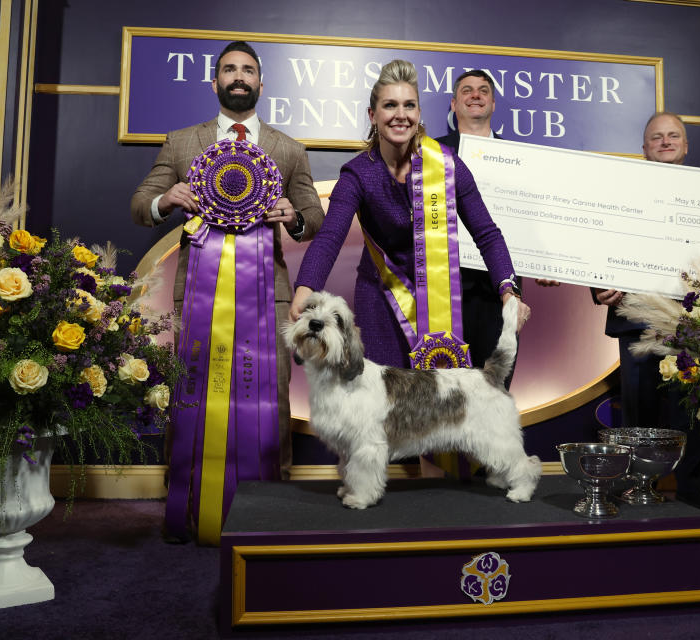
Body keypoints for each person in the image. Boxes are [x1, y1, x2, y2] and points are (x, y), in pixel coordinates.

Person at [131, 41, 323, 544]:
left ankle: (268, 514)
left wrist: (295, 217)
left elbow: (314, 217)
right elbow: (139, 203)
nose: (239, 77)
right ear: (214, 82)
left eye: (249, 70)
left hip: (270, 297)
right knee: (193, 401)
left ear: (261, 83)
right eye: (229, 70)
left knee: (270, 404)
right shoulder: (179, 142)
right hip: (197, 296)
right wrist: (164, 201)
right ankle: (190, 510)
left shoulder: (287, 149)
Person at [290, 59, 528, 374]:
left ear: (418, 114)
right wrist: (305, 289)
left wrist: (509, 291)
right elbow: (330, 237)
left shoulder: (446, 165)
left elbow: (487, 234)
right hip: (379, 298)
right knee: (386, 403)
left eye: (409, 105)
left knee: (439, 407)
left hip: (440, 294)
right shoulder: (358, 173)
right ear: (373, 116)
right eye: (390, 105)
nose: (401, 114)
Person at [593, 111, 700, 513]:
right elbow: (596, 244)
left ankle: (692, 486)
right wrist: (599, 287)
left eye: (673, 136)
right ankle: (637, 484)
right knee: (640, 408)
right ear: (644, 148)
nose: (665, 142)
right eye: (656, 137)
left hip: (693, 318)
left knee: (693, 410)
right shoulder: (621, 194)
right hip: (638, 318)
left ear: (685, 145)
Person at [435, 70, 558, 371]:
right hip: (442, 290)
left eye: (483, 90)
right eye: (467, 90)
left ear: (493, 104)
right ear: (453, 103)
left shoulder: (522, 160)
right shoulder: (430, 154)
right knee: (441, 397)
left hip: (500, 293)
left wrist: (543, 260)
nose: (475, 95)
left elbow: (534, 219)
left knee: (494, 393)